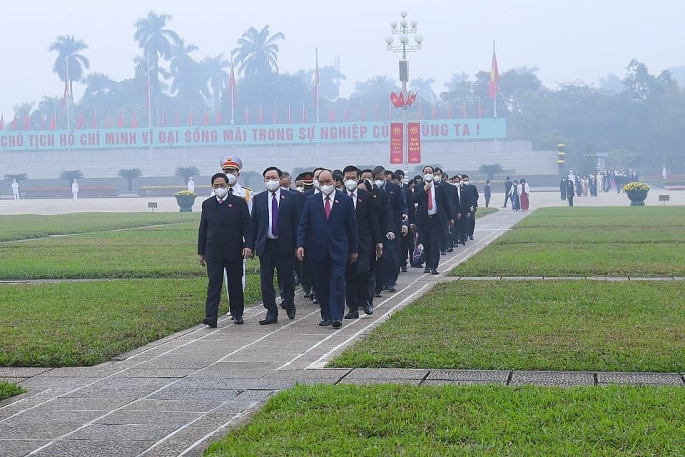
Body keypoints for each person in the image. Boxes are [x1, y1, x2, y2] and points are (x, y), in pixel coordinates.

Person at [297, 169, 358, 329]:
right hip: (317, 250)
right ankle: (327, 315)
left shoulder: (344, 200)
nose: (325, 185)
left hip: (339, 250)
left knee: (337, 281)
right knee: (321, 284)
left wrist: (354, 249)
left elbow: (352, 227)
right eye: (322, 182)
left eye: (328, 182)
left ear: (334, 181)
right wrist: (301, 245)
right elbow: (304, 225)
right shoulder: (311, 201)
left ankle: (337, 316)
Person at [197, 173, 253, 327]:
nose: (219, 188)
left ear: (228, 186)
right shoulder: (207, 204)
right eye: (216, 186)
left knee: (235, 284)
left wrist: (248, 245)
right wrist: (201, 252)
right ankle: (211, 316)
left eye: (222, 185)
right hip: (213, 251)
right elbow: (203, 229)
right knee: (214, 283)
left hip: (234, 250)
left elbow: (247, 227)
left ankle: (237, 313)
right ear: (212, 187)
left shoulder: (239, 203)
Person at [249, 167, 301, 325]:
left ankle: (289, 302)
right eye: (267, 178)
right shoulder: (258, 199)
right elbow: (253, 225)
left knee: (287, 278)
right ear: (264, 180)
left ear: (279, 179)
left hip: (285, 245)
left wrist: (299, 245)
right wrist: (249, 246)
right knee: (266, 281)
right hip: (266, 245)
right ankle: (271, 311)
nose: (270, 181)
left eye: (273, 177)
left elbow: (297, 223)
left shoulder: (291, 198)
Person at [342, 165, 383, 320]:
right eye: (347, 178)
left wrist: (378, 241)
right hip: (346, 243)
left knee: (363, 271)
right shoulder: (339, 197)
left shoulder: (365, 197)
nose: (350, 181)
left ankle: (366, 300)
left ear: (358, 178)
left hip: (365, 242)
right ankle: (352, 307)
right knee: (349, 275)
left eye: (353, 178)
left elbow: (374, 221)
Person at [412, 165, 453, 275]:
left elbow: (445, 203)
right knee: (426, 242)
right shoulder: (419, 186)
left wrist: (450, 217)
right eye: (426, 172)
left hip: (436, 218)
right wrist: (424, 191)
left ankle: (434, 266)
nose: (429, 174)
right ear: (423, 174)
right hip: (424, 219)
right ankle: (428, 265)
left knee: (435, 243)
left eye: (431, 172)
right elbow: (413, 199)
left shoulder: (440, 187)